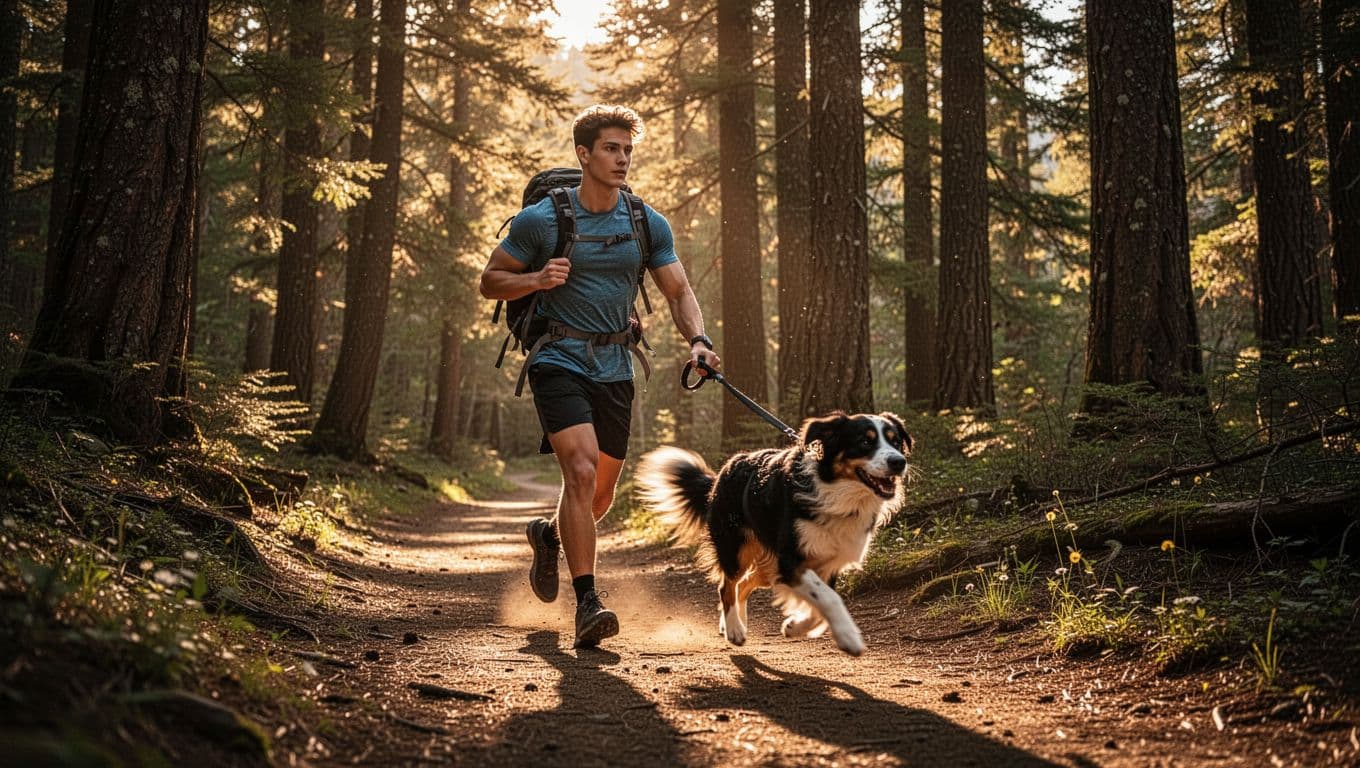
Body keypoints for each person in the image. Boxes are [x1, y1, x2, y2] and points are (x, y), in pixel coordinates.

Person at [479, 105, 721, 649]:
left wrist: (699, 342)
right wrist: (537, 278)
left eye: (628, 150)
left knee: (599, 495)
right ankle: (588, 603)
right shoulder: (543, 220)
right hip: (557, 358)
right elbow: (490, 280)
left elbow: (678, 291)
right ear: (583, 154)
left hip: (615, 365)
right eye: (611, 148)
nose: (621, 159)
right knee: (582, 472)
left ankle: (549, 535)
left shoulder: (643, 221)